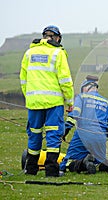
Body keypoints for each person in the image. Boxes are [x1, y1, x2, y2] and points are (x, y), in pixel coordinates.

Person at [20, 25, 74, 177]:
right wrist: (69, 102)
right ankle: (51, 171)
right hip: (53, 102)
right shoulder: (58, 53)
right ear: (57, 38)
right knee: (53, 134)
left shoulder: (29, 53)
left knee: (34, 133)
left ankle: (31, 169)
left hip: (33, 102)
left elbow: (23, 79)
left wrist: (30, 96)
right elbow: (65, 81)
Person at [59, 75, 108, 175]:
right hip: (100, 137)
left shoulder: (81, 97)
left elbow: (73, 116)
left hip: (83, 135)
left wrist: (65, 131)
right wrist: (104, 137)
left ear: (86, 87)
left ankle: (83, 163)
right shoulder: (107, 102)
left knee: (68, 162)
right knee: (98, 161)